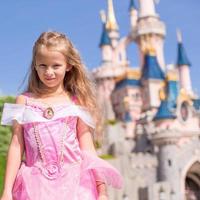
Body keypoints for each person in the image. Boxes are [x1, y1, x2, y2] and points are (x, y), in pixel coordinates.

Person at [0, 31, 123, 200]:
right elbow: (16, 145)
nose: (49, 72)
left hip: (77, 186)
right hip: (35, 187)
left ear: (68, 66)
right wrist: (7, 190)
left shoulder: (76, 103)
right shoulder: (24, 101)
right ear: (35, 65)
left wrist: (102, 191)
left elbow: (88, 150)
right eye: (42, 65)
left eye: (56, 65)